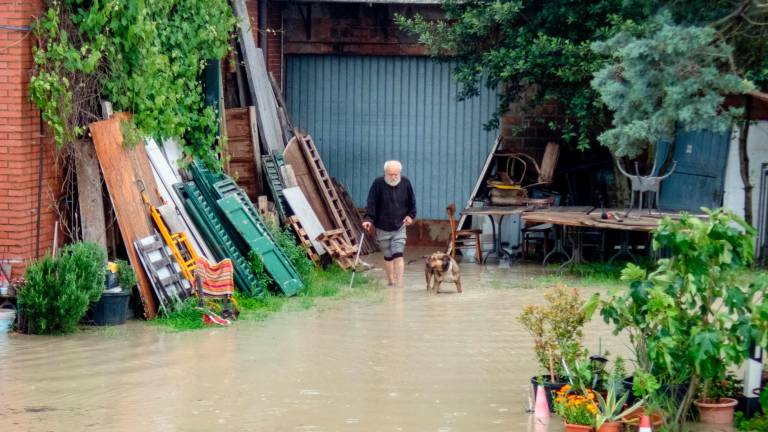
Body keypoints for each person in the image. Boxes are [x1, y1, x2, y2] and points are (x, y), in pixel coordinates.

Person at [362, 160, 416, 288]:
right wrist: (368, 219)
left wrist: (410, 216)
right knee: (388, 256)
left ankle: (400, 283)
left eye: (396, 174)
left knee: (398, 254)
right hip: (382, 226)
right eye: (390, 174)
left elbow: (412, 203)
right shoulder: (378, 183)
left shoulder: (406, 183)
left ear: (400, 173)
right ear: (385, 173)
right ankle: (391, 281)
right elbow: (371, 203)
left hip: (399, 225)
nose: (393, 177)